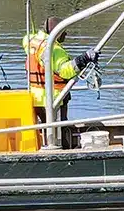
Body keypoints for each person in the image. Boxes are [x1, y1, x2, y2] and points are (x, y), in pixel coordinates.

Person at [23, 17, 98, 147]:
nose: (66, 34)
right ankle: (61, 151)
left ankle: (47, 145)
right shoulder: (54, 50)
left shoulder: (31, 41)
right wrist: (84, 58)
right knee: (58, 128)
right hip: (53, 98)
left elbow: (27, 38)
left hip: (36, 96)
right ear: (56, 33)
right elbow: (65, 71)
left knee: (47, 126)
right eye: (64, 31)